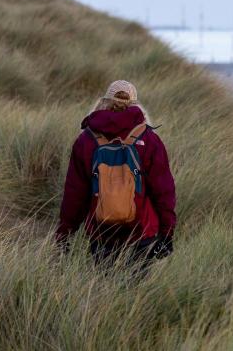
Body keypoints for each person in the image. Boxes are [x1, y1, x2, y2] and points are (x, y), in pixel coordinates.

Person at [55, 80, 176, 268]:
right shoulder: (149, 139)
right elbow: (164, 191)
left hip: (102, 232)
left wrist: (65, 232)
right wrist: (167, 232)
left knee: (105, 290)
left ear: (104, 101)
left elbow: (75, 193)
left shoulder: (86, 140)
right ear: (136, 105)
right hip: (142, 230)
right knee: (138, 294)